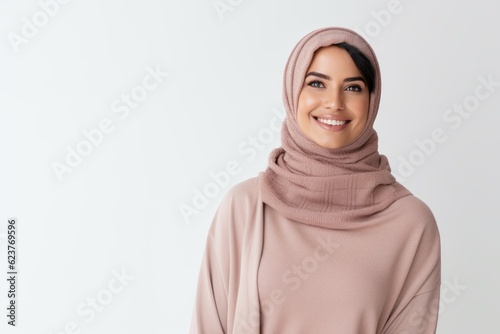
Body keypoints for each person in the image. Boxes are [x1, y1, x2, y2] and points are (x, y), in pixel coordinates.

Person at [189, 27, 441, 334]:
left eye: (353, 88)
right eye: (317, 83)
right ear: (293, 91)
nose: (334, 102)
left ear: (372, 100)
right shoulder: (245, 206)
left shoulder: (411, 224)